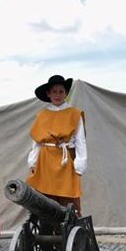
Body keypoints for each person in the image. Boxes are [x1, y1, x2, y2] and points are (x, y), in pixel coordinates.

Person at [26, 75, 87, 214]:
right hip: (46, 160)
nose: (58, 95)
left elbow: (80, 141)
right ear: (48, 94)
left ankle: (70, 228)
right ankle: (47, 230)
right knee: (46, 198)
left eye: (61, 91)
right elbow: (37, 142)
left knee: (68, 196)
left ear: (66, 93)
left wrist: (80, 165)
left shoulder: (74, 113)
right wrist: (33, 162)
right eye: (54, 91)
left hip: (66, 160)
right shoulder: (42, 115)